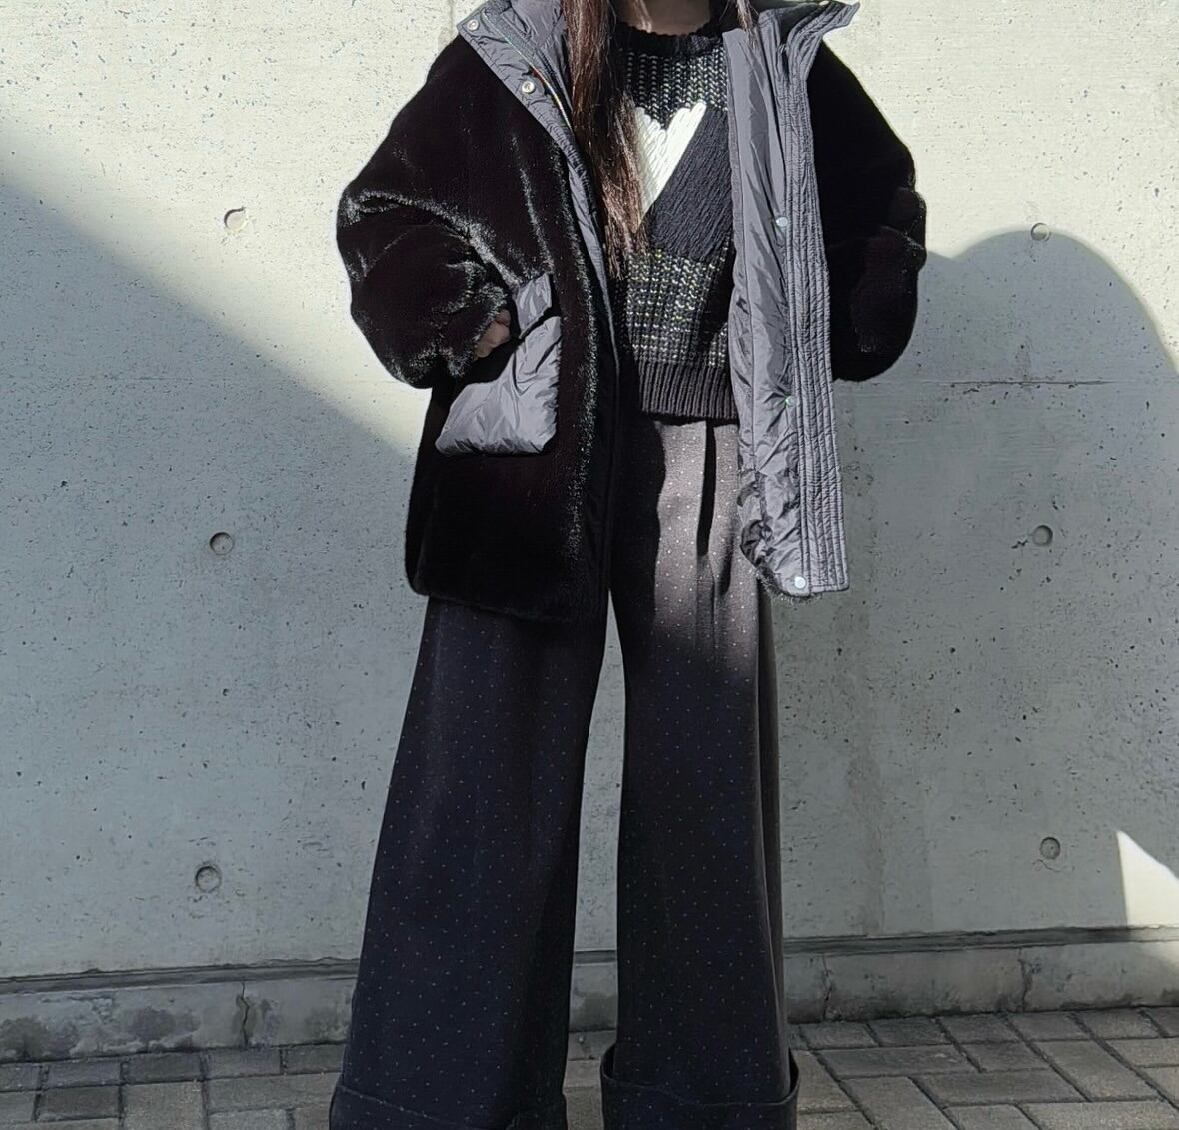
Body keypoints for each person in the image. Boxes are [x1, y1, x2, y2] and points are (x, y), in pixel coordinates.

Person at [328, 0, 927, 1125]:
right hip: (530, 458)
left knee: (705, 802)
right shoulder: (514, 52)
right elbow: (384, 214)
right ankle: (442, 1102)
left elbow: (878, 208)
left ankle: (700, 1102)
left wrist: (843, 310)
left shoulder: (780, 63)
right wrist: (474, 323)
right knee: (481, 795)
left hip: (710, 455)